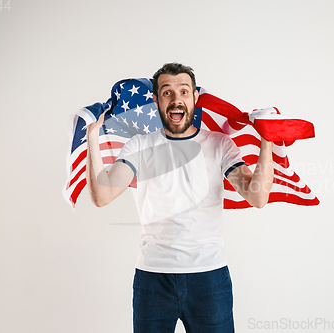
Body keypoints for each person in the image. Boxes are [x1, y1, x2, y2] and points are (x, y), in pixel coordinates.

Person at [85, 63, 274, 332]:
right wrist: (92, 135)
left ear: (195, 97)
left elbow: (257, 197)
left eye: (184, 91)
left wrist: (266, 140)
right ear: (155, 100)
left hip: (209, 278)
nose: (176, 100)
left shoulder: (220, 145)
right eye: (167, 93)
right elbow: (102, 196)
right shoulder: (140, 145)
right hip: (152, 279)